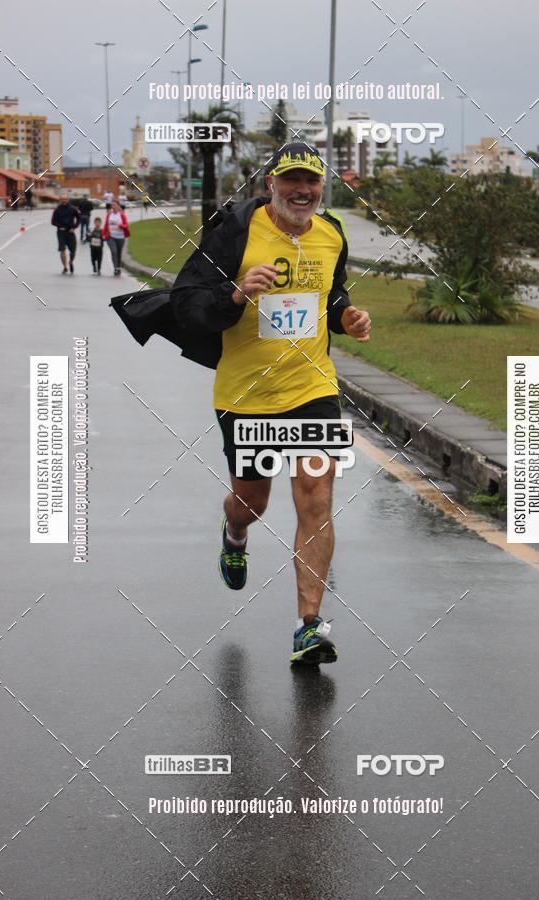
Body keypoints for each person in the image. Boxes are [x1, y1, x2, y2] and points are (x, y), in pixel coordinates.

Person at [170, 143, 371, 666]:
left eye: (311, 181)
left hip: (312, 388)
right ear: (270, 185)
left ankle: (310, 626)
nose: (302, 190)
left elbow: (332, 293)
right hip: (246, 394)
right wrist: (235, 294)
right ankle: (234, 532)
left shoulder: (331, 233)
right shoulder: (234, 232)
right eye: (291, 181)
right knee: (252, 502)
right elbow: (187, 301)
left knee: (316, 496)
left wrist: (347, 316)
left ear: (322, 187)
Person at [51, 193, 80, 274]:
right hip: (61, 232)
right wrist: (60, 226)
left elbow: (79, 218)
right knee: (62, 249)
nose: (64, 200)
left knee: (73, 251)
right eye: (62, 199)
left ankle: (71, 262)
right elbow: (53, 221)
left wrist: (74, 227)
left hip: (70, 232)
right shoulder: (57, 209)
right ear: (60, 200)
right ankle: (65, 267)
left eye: (65, 199)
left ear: (68, 200)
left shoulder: (72, 209)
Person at [102, 199, 130, 276]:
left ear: (118, 206)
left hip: (120, 237)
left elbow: (126, 226)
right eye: (112, 205)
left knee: (119, 253)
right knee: (114, 252)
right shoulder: (109, 214)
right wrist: (104, 234)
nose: (113, 206)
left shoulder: (122, 215)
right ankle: (116, 268)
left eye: (115, 205)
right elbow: (106, 225)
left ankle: (118, 267)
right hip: (111, 236)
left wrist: (119, 225)